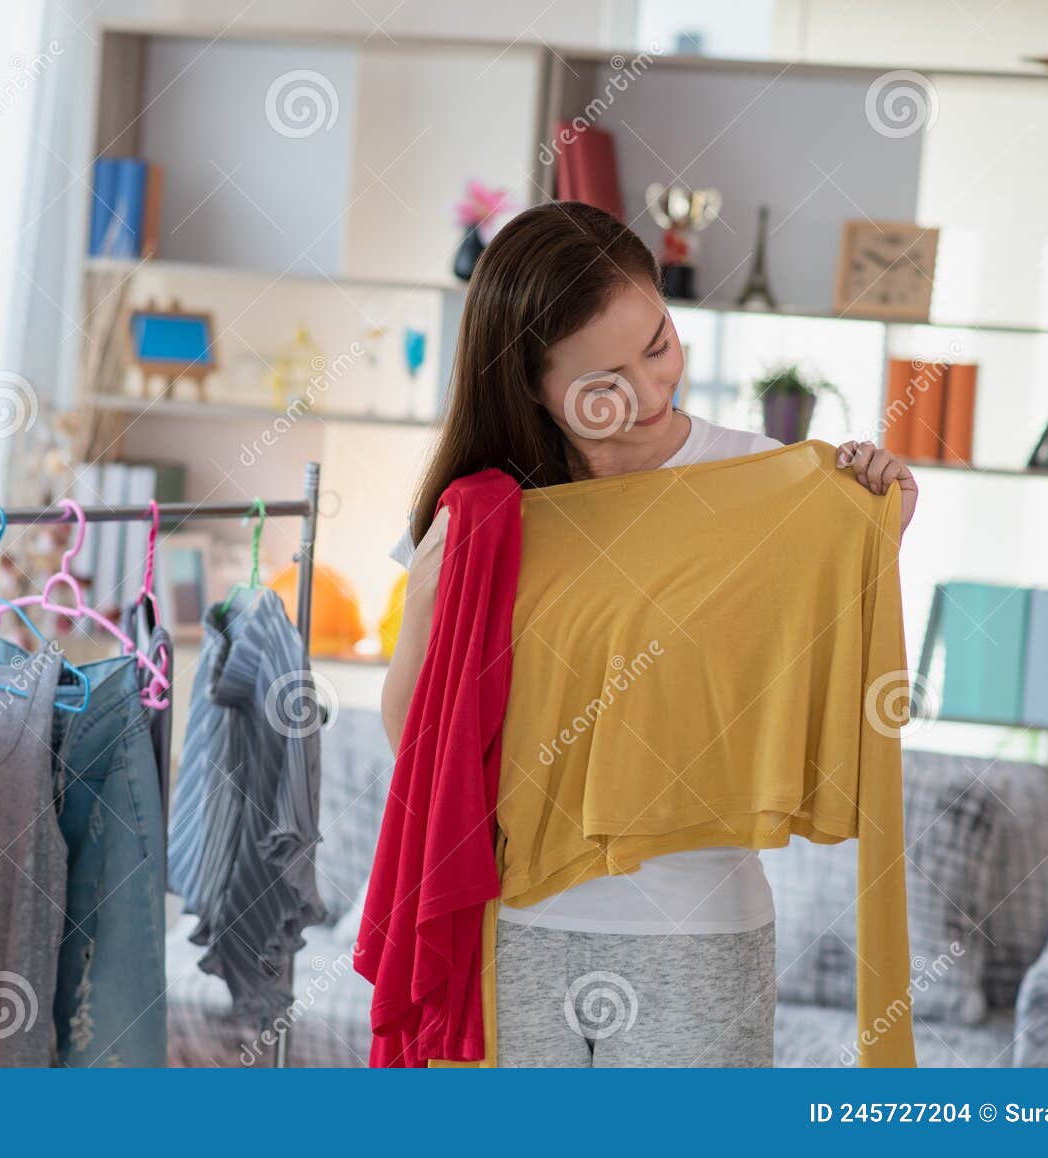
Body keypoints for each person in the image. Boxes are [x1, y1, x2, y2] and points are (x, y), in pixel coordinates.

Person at [380, 200, 918, 1067]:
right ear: (529, 385)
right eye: (606, 381)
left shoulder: (761, 482)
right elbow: (417, 743)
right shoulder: (482, 511)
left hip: (700, 938)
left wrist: (871, 535)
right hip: (517, 930)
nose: (651, 391)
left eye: (659, 345)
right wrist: (426, 607)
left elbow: (815, 677)